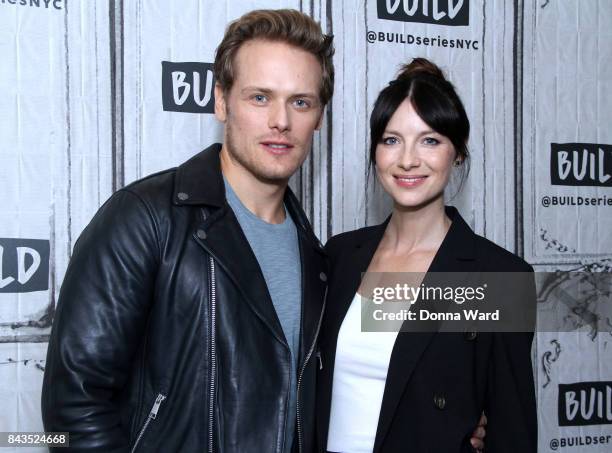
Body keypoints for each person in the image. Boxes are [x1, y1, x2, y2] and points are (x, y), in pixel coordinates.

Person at [42, 9, 333, 452]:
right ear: (221, 101)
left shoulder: (318, 256)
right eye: (259, 97)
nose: (281, 121)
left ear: (319, 117)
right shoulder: (145, 219)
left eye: (300, 101)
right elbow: (75, 406)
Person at [316, 59, 537, 452]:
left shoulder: (497, 276)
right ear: (375, 152)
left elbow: (512, 429)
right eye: (391, 139)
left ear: (458, 154)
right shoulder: (340, 256)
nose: (408, 159)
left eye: (430, 140)